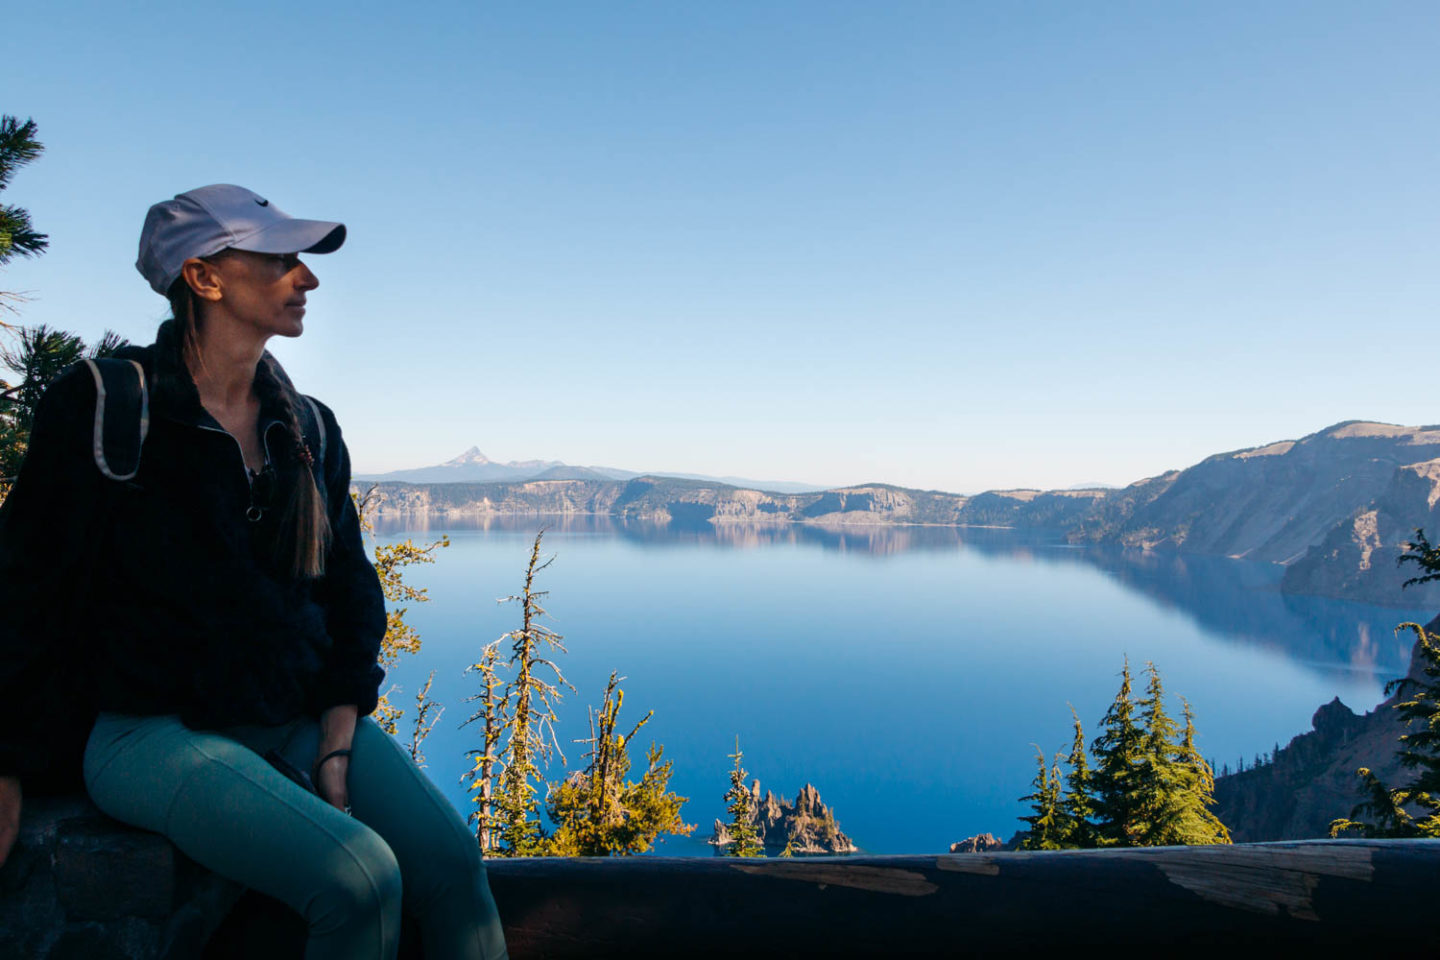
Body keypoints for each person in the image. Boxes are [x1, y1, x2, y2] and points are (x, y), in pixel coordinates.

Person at [0, 184, 508, 959]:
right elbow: (23, 581)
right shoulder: (109, 406)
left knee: (452, 868)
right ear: (205, 278)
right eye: (279, 258)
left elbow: (348, 589)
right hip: (146, 730)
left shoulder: (305, 426)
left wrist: (338, 731)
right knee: (359, 879)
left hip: (290, 717)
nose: (306, 278)